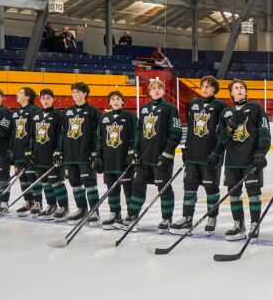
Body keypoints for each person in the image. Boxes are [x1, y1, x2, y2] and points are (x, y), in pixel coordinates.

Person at [215, 80, 271, 239]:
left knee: (253, 192)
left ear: (246, 92)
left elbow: (264, 131)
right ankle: (238, 224)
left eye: (242, 88)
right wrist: (230, 127)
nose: (239, 90)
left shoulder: (256, 109)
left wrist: (261, 152)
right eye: (236, 88)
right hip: (232, 160)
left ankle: (255, 224)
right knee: (233, 193)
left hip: (251, 159)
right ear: (231, 93)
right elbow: (220, 137)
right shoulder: (226, 112)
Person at [172, 75, 228, 234]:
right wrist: (186, 148)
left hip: (210, 155)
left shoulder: (220, 105)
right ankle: (187, 218)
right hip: (193, 155)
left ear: (214, 88)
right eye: (202, 86)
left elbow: (224, 132)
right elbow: (190, 129)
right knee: (189, 187)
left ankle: (212, 217)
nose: (204, 89)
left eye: (208, 86)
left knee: (211, 187)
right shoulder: (194, 104)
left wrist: (218, 151)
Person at [125, 78, 180, 231]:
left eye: (159, 88)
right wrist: (134, 150)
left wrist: (167, 153)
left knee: (164, 188)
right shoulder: (143, 108)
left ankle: (167, 218)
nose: (156, 90)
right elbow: (138, 132)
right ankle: (132, 216)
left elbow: (176, 133)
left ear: (163, 91)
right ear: (149, 92)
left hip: (161, 157)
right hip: (144, 157)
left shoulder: (170, 108)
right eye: (153, 88)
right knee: (137, 186)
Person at [61, 82, 102, 224]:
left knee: (90, 183)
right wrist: (61, 152)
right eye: (73, 92)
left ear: (85, 94)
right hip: (70, 155)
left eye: (78, 92)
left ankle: (94, 212)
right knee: (75, 183)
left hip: (85, 154)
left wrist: (95, 152)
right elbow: (63, 133)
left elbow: (97, 134)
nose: (75, 95)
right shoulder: (67, 112)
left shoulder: (93, 111)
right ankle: (81, 209)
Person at [98, 90, 138, 228]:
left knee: (128, 188)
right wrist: (98, 156)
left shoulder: (130, 116)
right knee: (111, 188)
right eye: (112, 99)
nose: (115, 101)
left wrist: (132, 153)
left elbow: (136, 136)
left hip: (124, 159)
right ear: (109, 103)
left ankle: (131, 215)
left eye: (118, 99)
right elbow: (99, 138)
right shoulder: (104, 118)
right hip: (109, 159)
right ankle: (115, 213)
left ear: (122, 101)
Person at [33, 88, 69, 220]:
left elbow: (62, 134)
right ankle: (51, 205)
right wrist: (31, 152)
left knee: (56, 182)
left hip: (53, 154)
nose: (46, 101)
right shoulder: (36, 115)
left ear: (53, 99)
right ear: (40, 99)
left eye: (48, 98)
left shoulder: (58, 115)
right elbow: (32, 135)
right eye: (43, 98)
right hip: (39, 154)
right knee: (44, 182)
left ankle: (64, 207)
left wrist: (59, 150)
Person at [11, 87, 43, 215]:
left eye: (20, 93)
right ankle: (28, 201)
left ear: (28, 97)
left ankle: (38, 202)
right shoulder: (16, 112)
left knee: (32, 176)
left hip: (30, 150)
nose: (17, 94)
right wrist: (10, 149)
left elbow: (36, 132)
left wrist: (33, 150)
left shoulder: (35, 111)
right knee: (22, 178)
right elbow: (13, 132)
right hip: (18, 150)